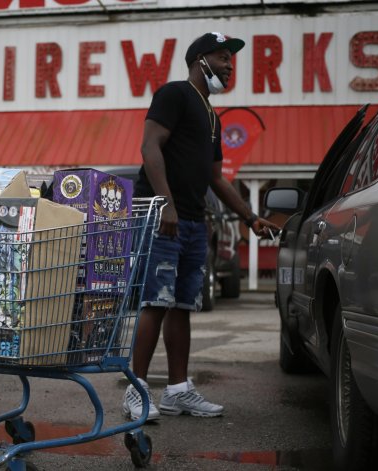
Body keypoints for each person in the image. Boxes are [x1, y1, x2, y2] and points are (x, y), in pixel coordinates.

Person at [123, 32, 280, 421]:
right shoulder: (174, 94)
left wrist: (250, 217)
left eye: (231, 59)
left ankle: (178, 390)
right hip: (164, 218)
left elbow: (216, 177)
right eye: (223, 58)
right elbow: (149, 147)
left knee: (181, 306)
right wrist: (167, 205)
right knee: (155, 302)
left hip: (193, 222)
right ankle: (135, 389)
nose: (230, 65)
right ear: (200, 60)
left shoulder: (211, 115)